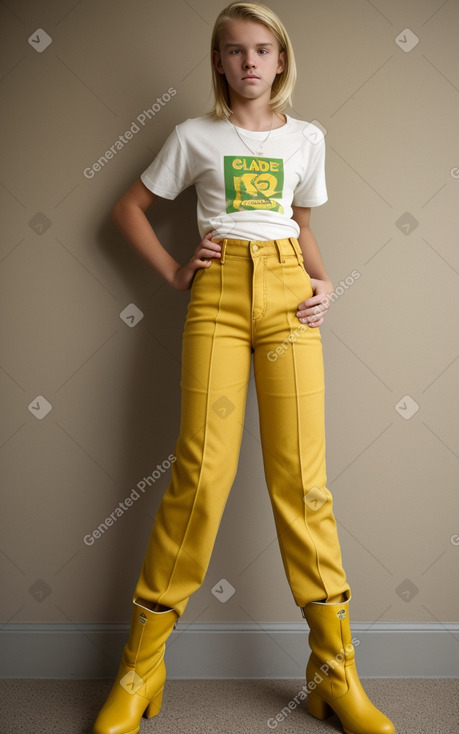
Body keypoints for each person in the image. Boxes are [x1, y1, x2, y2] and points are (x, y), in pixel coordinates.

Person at [92, 3, 395, 733]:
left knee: (302, 480)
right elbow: (128, 207)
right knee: (199, 472)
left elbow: (301, 224)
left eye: (262, 49)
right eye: (235, 51)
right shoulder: (192, 135)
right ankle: (141, 669)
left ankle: (333, 673)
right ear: (219, 63)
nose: (250, 61)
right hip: (218, 298)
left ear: (281, 60)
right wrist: (172, 269)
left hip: (290, 298)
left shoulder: (307, 137)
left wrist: (326, 283)